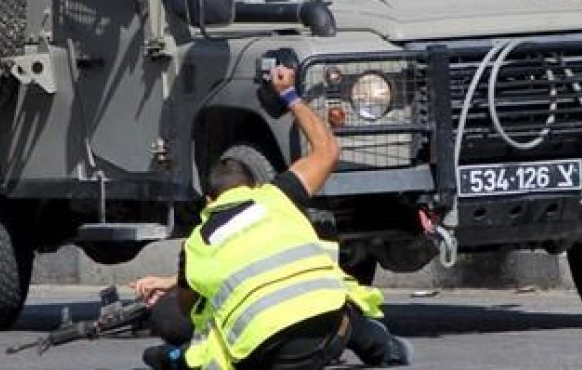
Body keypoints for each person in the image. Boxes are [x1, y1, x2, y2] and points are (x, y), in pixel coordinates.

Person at [132, 65, 413, 369]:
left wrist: (174, 287)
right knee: (340, 304)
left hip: (269, 354)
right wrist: (290, 95)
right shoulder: (277, 196)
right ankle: (388, 352)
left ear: (209, 200)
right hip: (332, 335)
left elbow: (191, 309)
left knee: (197, 336)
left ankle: (171, 360)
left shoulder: (199, 243)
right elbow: (328, 149)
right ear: (254, 186)